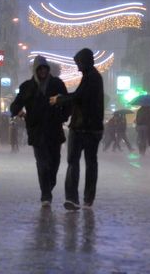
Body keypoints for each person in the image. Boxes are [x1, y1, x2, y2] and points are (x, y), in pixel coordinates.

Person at [50, 48, 104, 211]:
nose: (77, 67)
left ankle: (79, 198)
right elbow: (79, 95)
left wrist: (59, 99)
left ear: (85, 62)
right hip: (87, 127)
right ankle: (79, 198)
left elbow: (79, 97)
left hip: (85, 128)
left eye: (78, 63)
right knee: (84, 162)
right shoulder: (90, 77)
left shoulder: (92, 78)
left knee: (81, 162)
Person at [10, 56, 68, 206]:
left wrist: (62, 116)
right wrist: (22, 114)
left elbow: (68, 102)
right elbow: (14, 106)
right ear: (36, 70)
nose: (42, 71)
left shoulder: (57, 84)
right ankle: (45, 195)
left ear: (48, 69)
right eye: (39, 68)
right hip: (37, 130)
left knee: (54, 162)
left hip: (54, 130)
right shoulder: (27, 87)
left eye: (44, 68)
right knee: (42, 163)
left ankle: (49, 186)